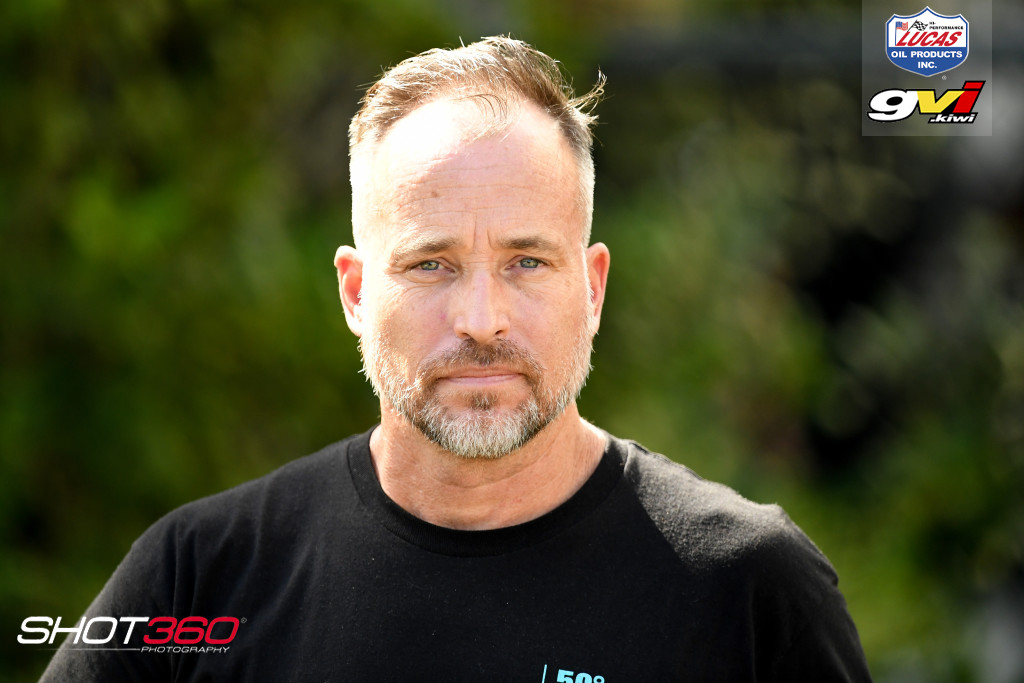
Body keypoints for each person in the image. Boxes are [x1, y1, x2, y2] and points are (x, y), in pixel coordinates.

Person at [40, 36, 871, 681]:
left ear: (592, 287)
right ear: (356, 291)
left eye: (527, 262)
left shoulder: (745, 589)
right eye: (431, 263)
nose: (480, 320)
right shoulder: (199, 579)